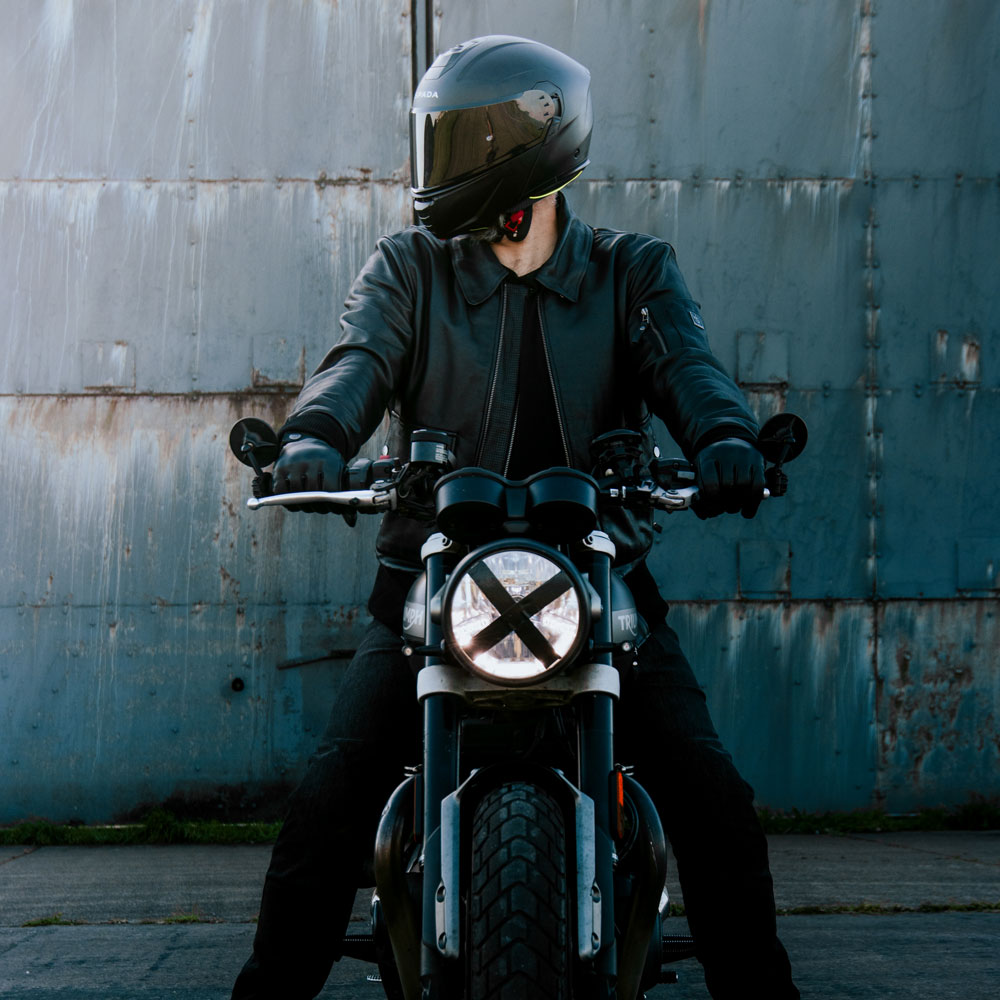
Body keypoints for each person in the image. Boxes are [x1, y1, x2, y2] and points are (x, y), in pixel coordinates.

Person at [232, 34, 799, 1000]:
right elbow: (358, 360)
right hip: (434, 580)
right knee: (327, 808)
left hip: (600, 575)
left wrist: (724, 439)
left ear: (521, 153)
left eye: (454, 142)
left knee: (713, 801)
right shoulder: (412, 268)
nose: (437, 164)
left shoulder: (632, 272)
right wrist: (316, 436)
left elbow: (688, 368)